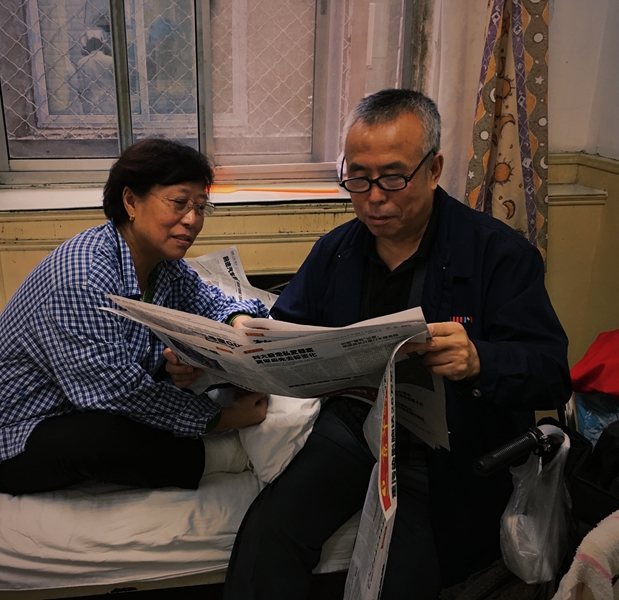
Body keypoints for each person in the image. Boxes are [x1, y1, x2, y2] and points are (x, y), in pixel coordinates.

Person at [221, 89, 572, 599]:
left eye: (392, 177)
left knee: (398, 579)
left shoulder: (499, 255)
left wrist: (480, 360)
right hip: (353, 429)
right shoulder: (336, 251)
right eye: (358, 178)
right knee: (267, 538)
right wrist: (234, 349)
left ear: (434, 169)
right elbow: (287, 331)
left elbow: (551, 372)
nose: (373, 197)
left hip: (443, 450)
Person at [0, 138, 269, 495]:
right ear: (131, 201)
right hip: (12, 436)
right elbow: (118, 393)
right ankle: (220, 457)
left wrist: (239, 324)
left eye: (200, 206)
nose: (193, 220)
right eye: (179, 203)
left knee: (173, 377)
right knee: (104, 435)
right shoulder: (83, 276)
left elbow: (210, 301)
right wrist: (222, 420)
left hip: (80, 400)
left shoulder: (160, 264)